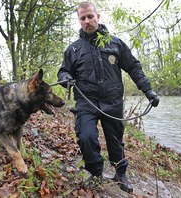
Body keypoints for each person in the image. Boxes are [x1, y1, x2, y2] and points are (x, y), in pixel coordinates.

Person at [57, 1, 159, 193]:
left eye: (90, 16)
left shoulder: (116, 43)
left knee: (115, 140)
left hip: (112, 102)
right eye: (83, 18)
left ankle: (120, 173)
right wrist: (66, 79)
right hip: (86, 103)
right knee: (86, 136)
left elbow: (134, 67)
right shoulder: (73, 49)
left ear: (98, 17)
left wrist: (149, 91)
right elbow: (63, 73)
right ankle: (95, 173)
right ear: (79, 20)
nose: (87, 21)